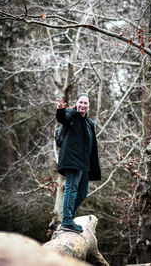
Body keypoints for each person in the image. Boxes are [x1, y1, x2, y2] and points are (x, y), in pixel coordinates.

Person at [56, 93, 101, 233]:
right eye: (80, 102)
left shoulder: (89, 123)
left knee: (82, 192)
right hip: (72, 160)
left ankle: (68, 218)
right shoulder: (71, 115)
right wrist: (60, 110)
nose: (83, 105)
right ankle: (67, 221)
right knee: (71, 188)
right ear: (76, 104)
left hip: (84, 163)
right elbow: (62, 118)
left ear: (88, 106)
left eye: (85, 103)